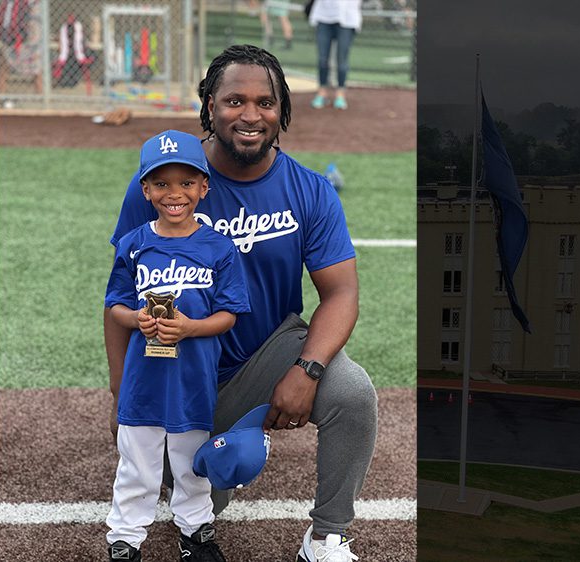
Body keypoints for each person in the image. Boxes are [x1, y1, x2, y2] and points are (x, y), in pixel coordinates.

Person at [105, 44, 377, 562]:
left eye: (265, 102)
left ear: (282, 110)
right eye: (234, 101)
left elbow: (341, 293)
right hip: (181, 366)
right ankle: (233, 440)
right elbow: (122, 289)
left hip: (269, 350)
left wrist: (307, 369)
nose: (251, 116)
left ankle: (326, 537)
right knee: (206, 491)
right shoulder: (164, 183)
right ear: (209, 105)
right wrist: (121, 391)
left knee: (354, 393)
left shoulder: (311, 191)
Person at [104, 130, 251, 562]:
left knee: (191, 465)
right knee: (137, 465)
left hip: (194, 379)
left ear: (204, 188)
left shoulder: (219, 249)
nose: (175, 194)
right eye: (162, 183)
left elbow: (229, 314)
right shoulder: (133, 245)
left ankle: (195, 532)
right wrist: (137, 319)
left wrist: (190, 328)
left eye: (187, 183)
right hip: (143, 381)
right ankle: (125, 539)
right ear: (145, 189)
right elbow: (115, 305)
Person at [308, 0, 362, 110]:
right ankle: (322, 93)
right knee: (323, 59)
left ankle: (340, 95)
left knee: (342, 60)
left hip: (348, 18)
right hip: (323, 17)